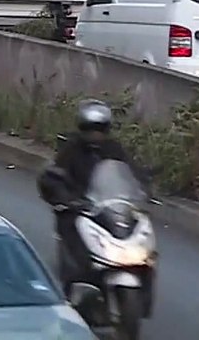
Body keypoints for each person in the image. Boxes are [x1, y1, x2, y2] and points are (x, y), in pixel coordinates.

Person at [37, 99, 136, 287]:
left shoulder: (114, 149)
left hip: (106, 208)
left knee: (135, 238)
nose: (95, 135)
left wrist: (142, 188)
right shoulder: (71, 150)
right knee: (73, 247)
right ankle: (73, 286)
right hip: (78, 209)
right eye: (91, 129)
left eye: (100, 129)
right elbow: (54, 176)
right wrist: (65, 198)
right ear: (83, 129)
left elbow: (129, 171)